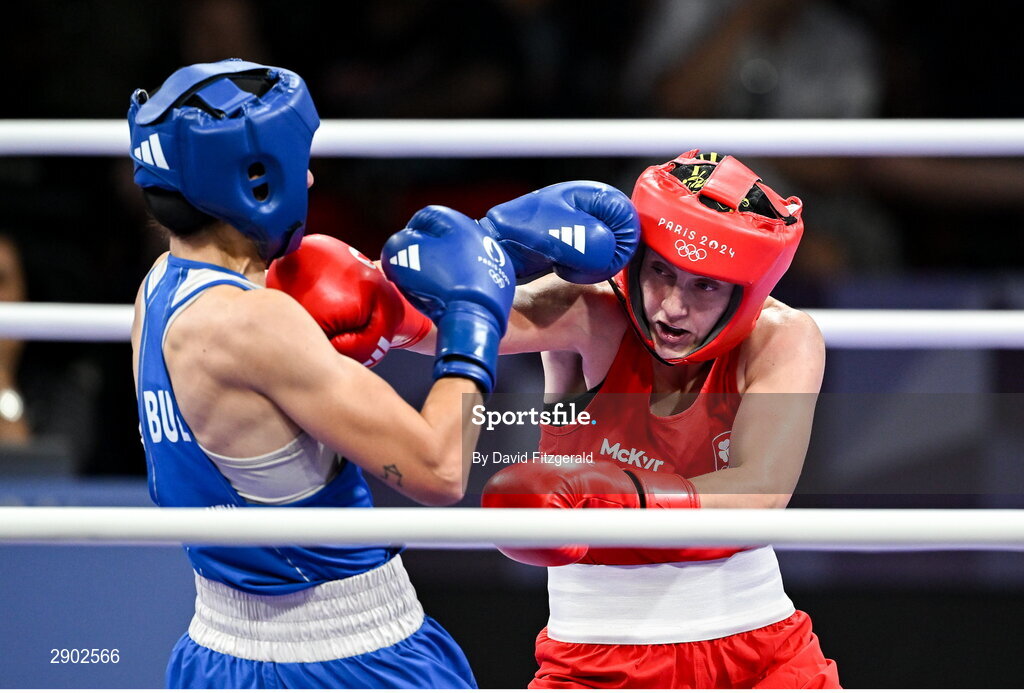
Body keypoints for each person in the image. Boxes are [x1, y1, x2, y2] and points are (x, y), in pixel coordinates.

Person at [128, 58, 518, 689]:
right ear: (256, 179)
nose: (308, 176)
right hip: (351, 656)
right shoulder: (255, 323)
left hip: (214, 651)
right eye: (294, 160)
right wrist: (474, 321)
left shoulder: (156, 292)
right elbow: (440, 468)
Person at [408, 151, 837, 688]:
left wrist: (610, 494)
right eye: (660, 271)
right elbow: (421, 329)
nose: (671, 308)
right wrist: (484, 252)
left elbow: (761, 494)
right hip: (592, 662)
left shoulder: (781, 338)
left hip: (759, 655)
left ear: (746, 290)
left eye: (704, 285)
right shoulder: (593, 312)